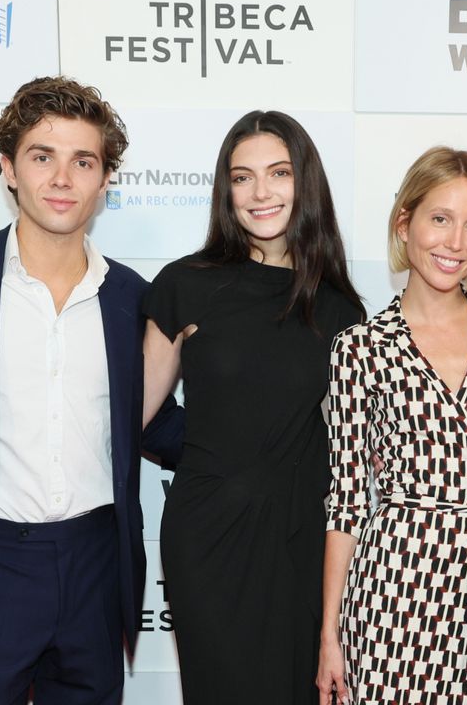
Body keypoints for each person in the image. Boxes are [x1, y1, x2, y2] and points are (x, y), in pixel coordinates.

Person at [0, 76, 182, 705]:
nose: (62, 179)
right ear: (8, 168)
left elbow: (149, 420)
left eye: (83, 161)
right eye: (41, 157)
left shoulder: (134, 298)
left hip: (96, 563)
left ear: (106, 177)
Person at [143, 110, 365, 705]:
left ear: (306, 183)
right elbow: (136, 416)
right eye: (243, 177)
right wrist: (210, 454)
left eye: (279, 173)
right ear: (226, 190)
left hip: (303, 540)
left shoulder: (341, 309)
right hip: (209, 537)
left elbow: (349, 449)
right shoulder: (184, 285)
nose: (261, 192)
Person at [317, 147, 467, 705]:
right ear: (404, 223)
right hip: (396, 586)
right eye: (440, 219)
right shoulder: (362, 348)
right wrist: (329, 634)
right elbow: (347, 499)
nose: (456, 242)